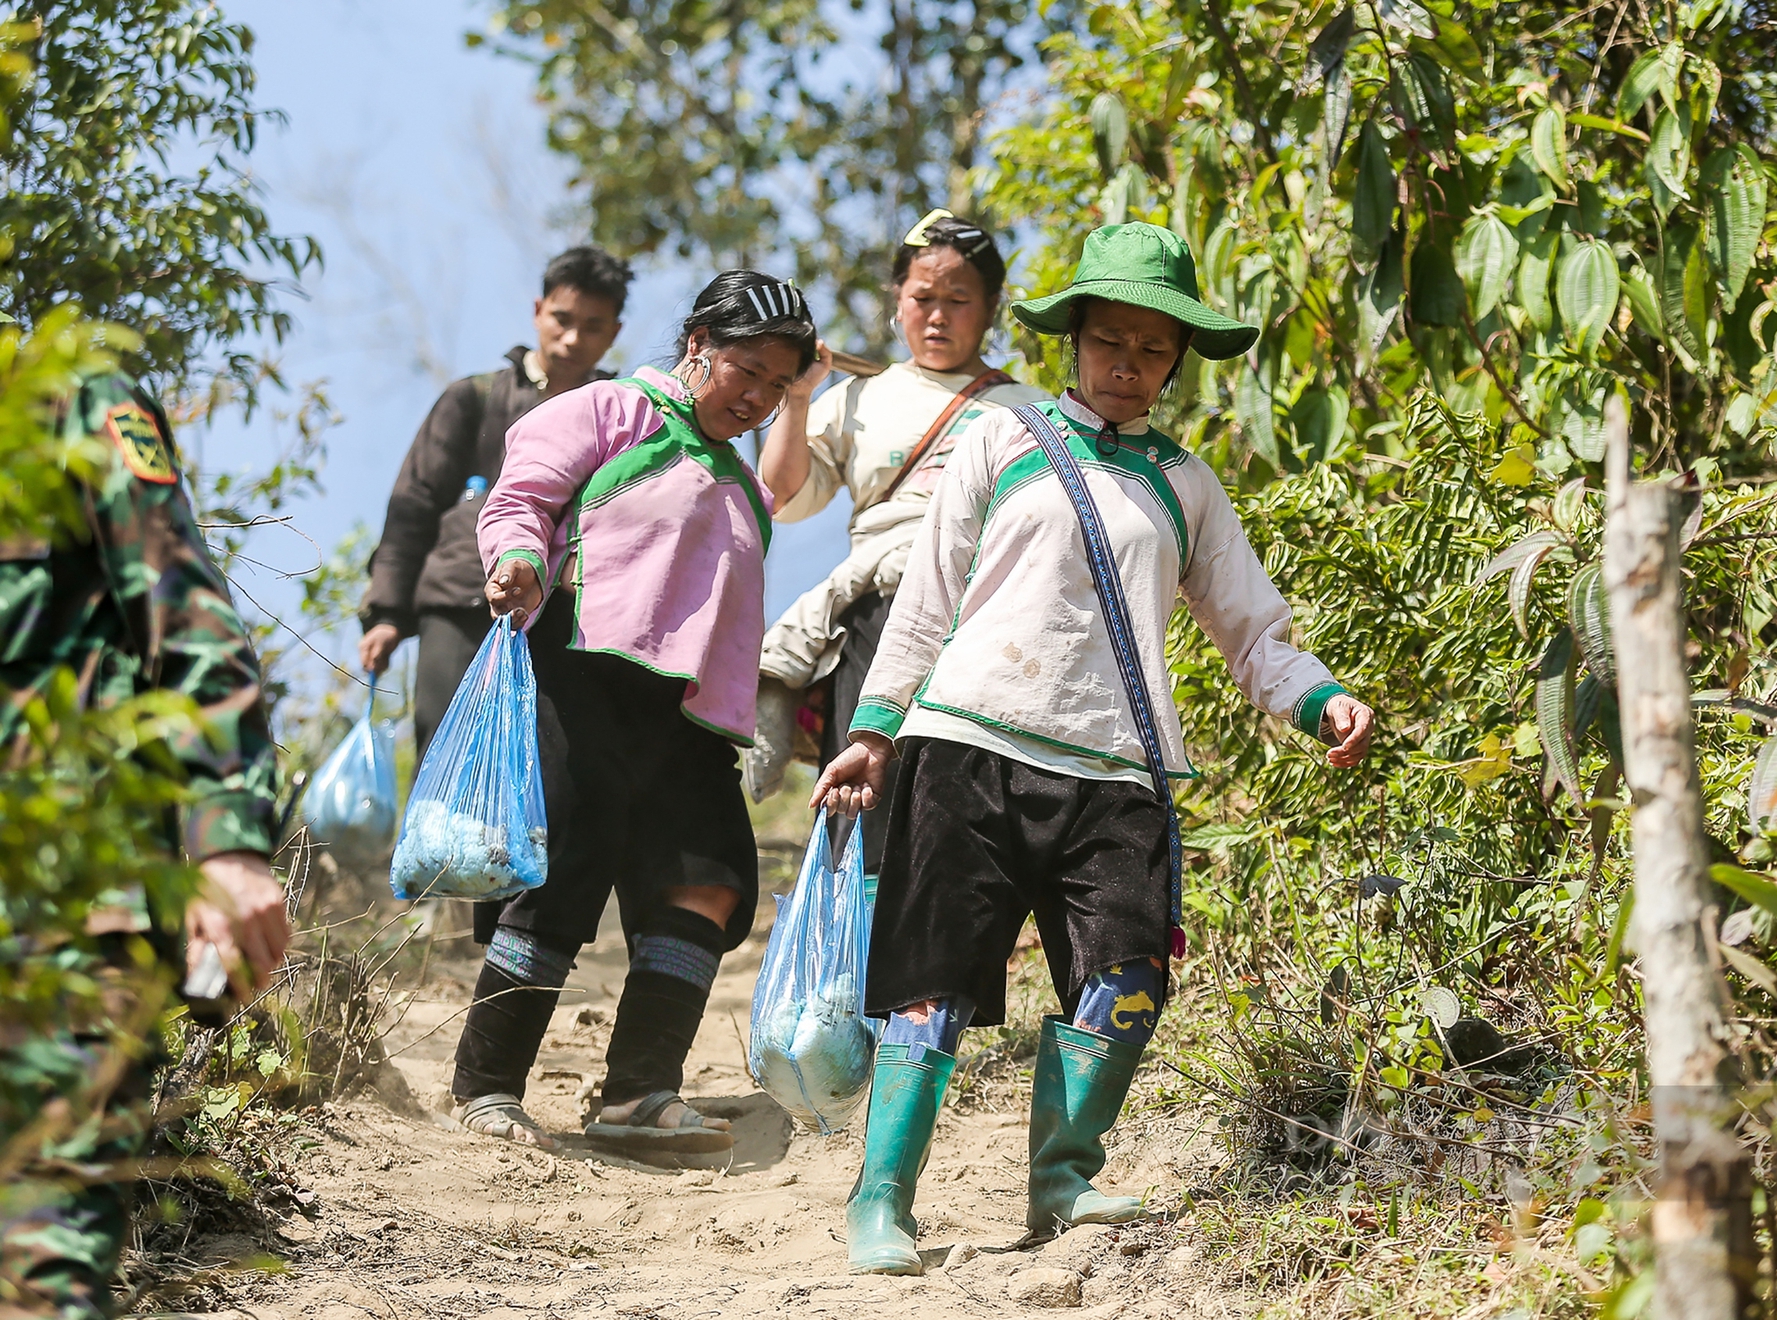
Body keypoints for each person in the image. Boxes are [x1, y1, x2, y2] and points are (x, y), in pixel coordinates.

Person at [812, 223, 1376, 1274]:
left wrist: (1318, 701)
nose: (1127, 363)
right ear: (1070, 342)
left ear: (1176, 361)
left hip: (1119, 769)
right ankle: (882, 1198)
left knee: (1126, 975)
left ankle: (1063, 1178)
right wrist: (875, 730)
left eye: (1151, 348)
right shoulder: (1000, 437)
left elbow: (1251, 630)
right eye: (1108, 341)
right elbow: (926, 597)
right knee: (930, 983)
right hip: (968, 747)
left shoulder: (1185, 484)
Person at [446, 272, 818, 1155]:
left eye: (779, 386)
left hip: (688, 713)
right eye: (748, 373)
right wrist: (517, 560)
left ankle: (639, 1094)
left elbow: (780, 491)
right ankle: (488, 1086)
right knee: (562, 868)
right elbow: (522, 497)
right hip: (585, 671)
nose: (759, 397)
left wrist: (799, 410)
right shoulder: (614, 411)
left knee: (709, 878)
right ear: (697, 345)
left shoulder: (736, 472)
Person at [0, 370, 290, 1319]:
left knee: (38, 1254)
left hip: (68, 912)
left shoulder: (67, 397)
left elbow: (189, 618)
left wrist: (228, 843)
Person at [751, 210, 1048, 867]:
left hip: (987, 621)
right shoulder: (861, 397)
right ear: (897, 301)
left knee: (964, 811)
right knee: (862, 805)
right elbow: (783, 495)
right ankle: (845, 951)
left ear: (993, 308)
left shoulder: (1034, 410)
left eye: (958, 301)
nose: (937, 317)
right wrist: (796, 400)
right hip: (878, 614)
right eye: (922, 298)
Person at [356, 246, 633, 762]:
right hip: (461, 603)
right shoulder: (475, 399)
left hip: (568, 625)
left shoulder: (624, 419)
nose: (574, 338)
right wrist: (388, 613)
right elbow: (413, 505)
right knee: (446, 762)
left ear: (614, 333)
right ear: (537, 311)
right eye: (562, 319)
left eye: (593, 327)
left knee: (547, 778)